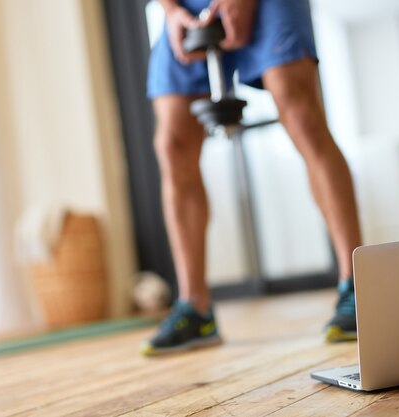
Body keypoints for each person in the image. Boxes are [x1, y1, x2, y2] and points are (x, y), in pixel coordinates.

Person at [140, 0, 362, 356]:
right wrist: (169, 10)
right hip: (185, 6)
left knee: (300, 112)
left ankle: (355, 285)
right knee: (171, 143)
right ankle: (195, 309)